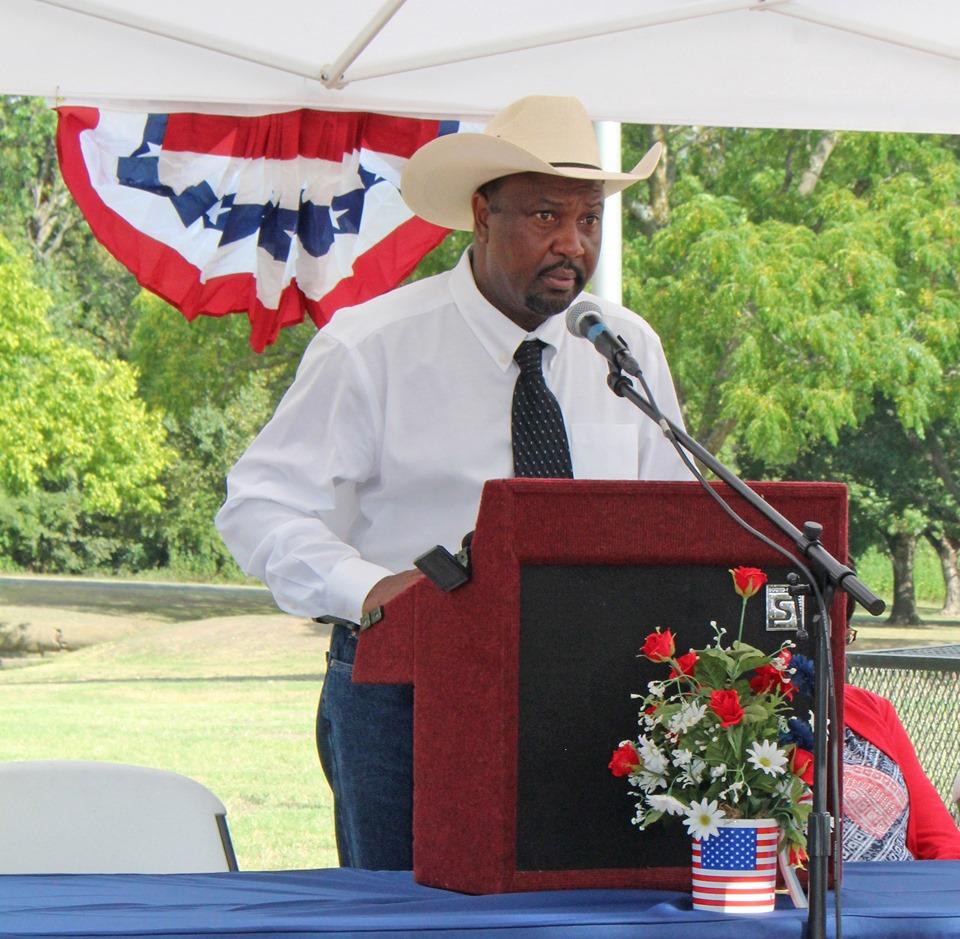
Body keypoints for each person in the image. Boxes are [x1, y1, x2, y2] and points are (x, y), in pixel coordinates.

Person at [215, 95, 690, 870]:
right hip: (409, 692)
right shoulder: (373, 346)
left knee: (579, 908)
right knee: (409, 914)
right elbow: (259, 505)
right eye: (545, 214)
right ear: (481, 212)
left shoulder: (622, 347)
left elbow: (672, 514)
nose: (572, 243)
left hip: (588, 688)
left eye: (590, 220)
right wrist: (370, 590)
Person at [843, 683, 960, 861]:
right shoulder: (786, 729)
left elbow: (936, 833)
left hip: (902, 881)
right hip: (806, 885)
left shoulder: (869, 707)